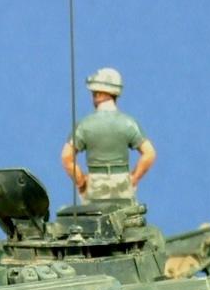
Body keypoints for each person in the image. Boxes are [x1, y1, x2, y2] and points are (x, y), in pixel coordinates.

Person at [61, 67, 156, 201]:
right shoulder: (129, 123)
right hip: (122, 184)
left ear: (99, 94)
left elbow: (67, 157)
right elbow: (149, 153)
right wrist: (134, 178)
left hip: (95, 185)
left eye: (94, 93)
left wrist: (81, 182)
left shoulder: (84, 125)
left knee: (93, 214)